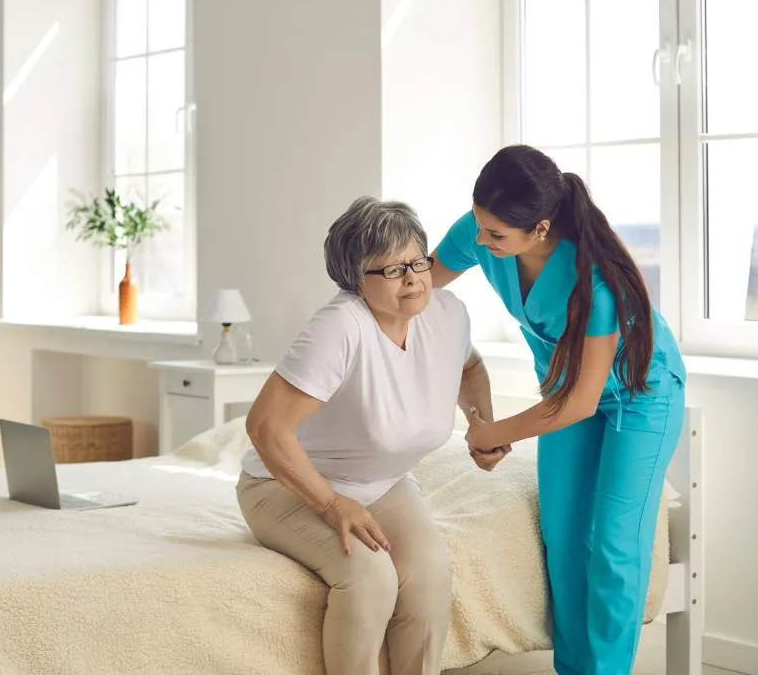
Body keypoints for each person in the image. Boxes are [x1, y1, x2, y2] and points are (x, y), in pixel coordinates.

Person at [430, 145, 687, 675]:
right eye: (479, 225)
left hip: (640, 398)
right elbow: (416, 286)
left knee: (613, 541)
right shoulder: (483, 232)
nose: (480, 241)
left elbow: (581, 401)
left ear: (541, 229)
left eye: (495, 234)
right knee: (564, 538)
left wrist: (497, 431)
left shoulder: (596, 282)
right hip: (569, 396)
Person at [236, 196, 498, 675]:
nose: (415, 278)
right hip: (285, 484)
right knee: (370, 576)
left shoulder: (446, 313)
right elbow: (265, 428)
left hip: (384, 482)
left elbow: (470, 365)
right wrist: (332, 505)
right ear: (355, 280)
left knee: (429, 575)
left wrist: (481, 420)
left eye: (418, 261)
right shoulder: (340, 327)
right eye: (393, 270)